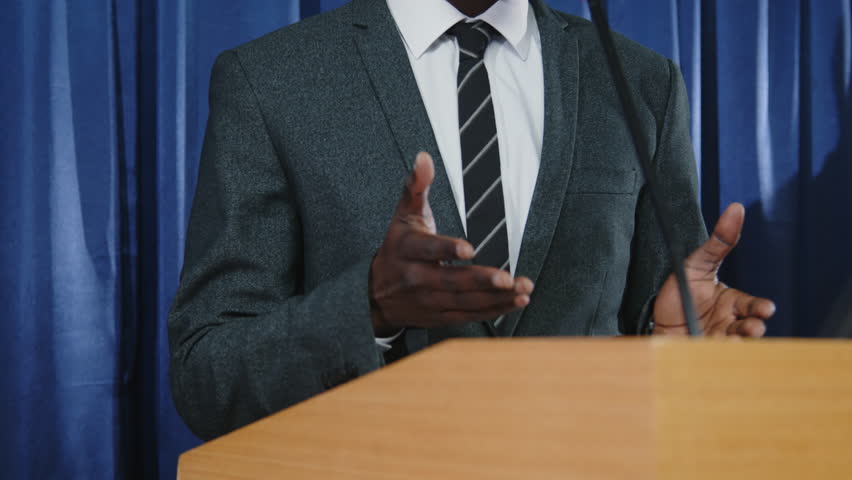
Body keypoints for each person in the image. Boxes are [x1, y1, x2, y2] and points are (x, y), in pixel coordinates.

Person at [168, 0, 776, 441]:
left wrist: (672, 341)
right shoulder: (274, 79)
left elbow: (658, 318)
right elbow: (207, 376)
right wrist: (369, 308)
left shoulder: (643, 80)